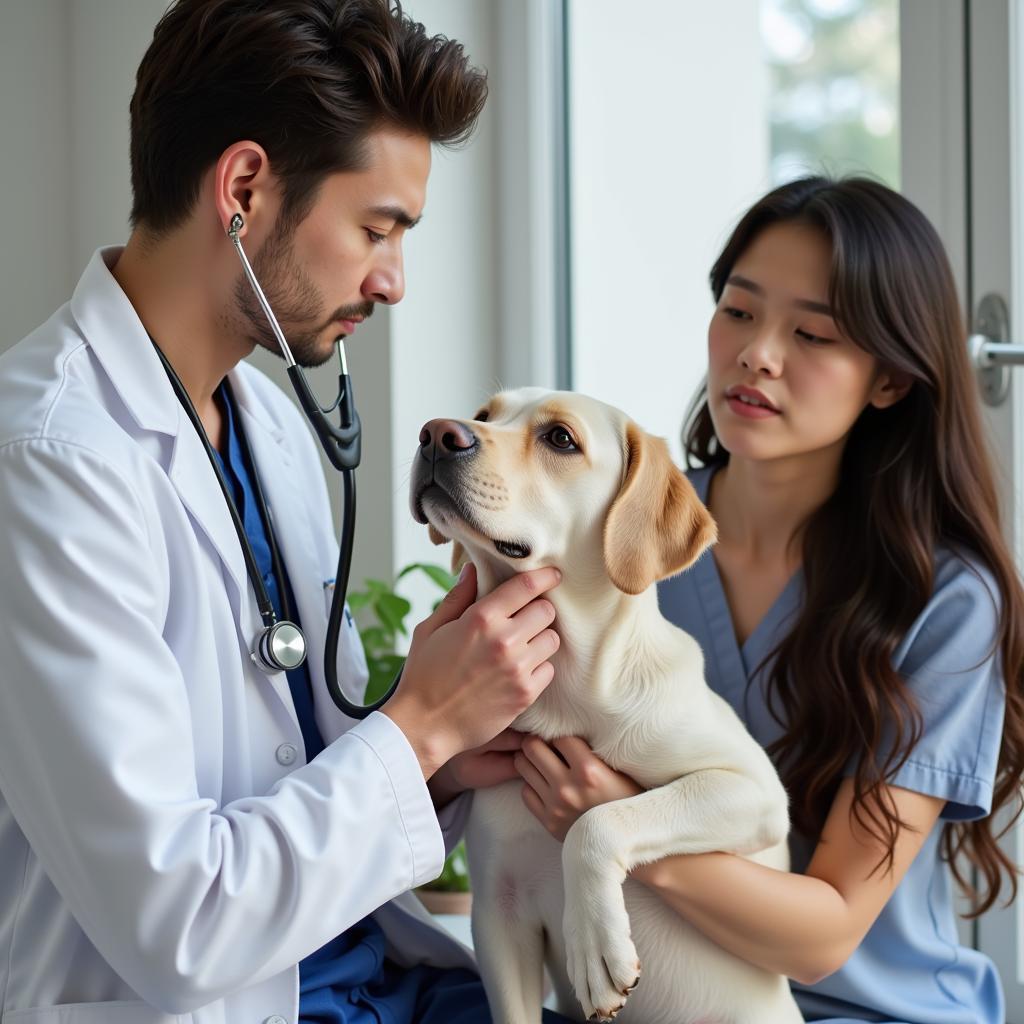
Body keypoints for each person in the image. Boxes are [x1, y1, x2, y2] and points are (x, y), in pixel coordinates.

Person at [0, 2, 571, 1022]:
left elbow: (302, 774)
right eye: (376, 229)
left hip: (373, 980)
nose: (393, 280)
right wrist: (420, 722)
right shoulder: (49, 463)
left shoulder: (262, 415)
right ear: (246, 189)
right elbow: (181, 922)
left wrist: (440, 757)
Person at [513, 176, 1024, 1024]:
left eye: (812, 333)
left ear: (891, 380)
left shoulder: (944, 601)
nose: (757, 354)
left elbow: (824, 935)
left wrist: (615, 828)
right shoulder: (623, 532)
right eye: (740, 312)